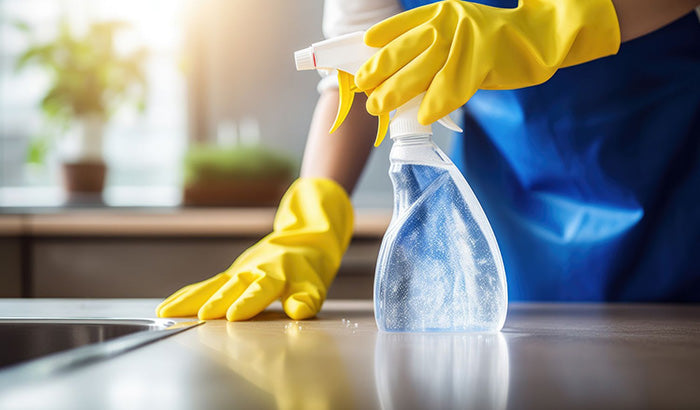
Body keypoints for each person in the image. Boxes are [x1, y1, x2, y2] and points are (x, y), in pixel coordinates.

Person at [157, 0, 700, 321]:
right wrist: (308, 221)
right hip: (512, 215)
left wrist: (542, 28)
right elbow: (352, 74)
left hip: (675, 183)